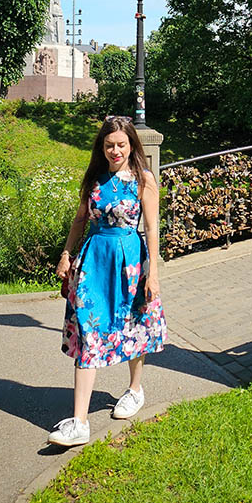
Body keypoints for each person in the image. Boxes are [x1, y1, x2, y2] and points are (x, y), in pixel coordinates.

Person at [48, 115, 167, 447]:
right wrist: (66, 254)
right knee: (89, 331)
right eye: (109, 145)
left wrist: (152, 273)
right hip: (93, 263)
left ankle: (134, 389)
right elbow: (79, 220)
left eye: (121, 145)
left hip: (130, 260)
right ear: (102, 147)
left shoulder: (144, 180)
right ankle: (80, 422)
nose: (116, 151)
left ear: (132, 146)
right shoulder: (95, 180)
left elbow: (153, 228)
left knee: (135, 324)